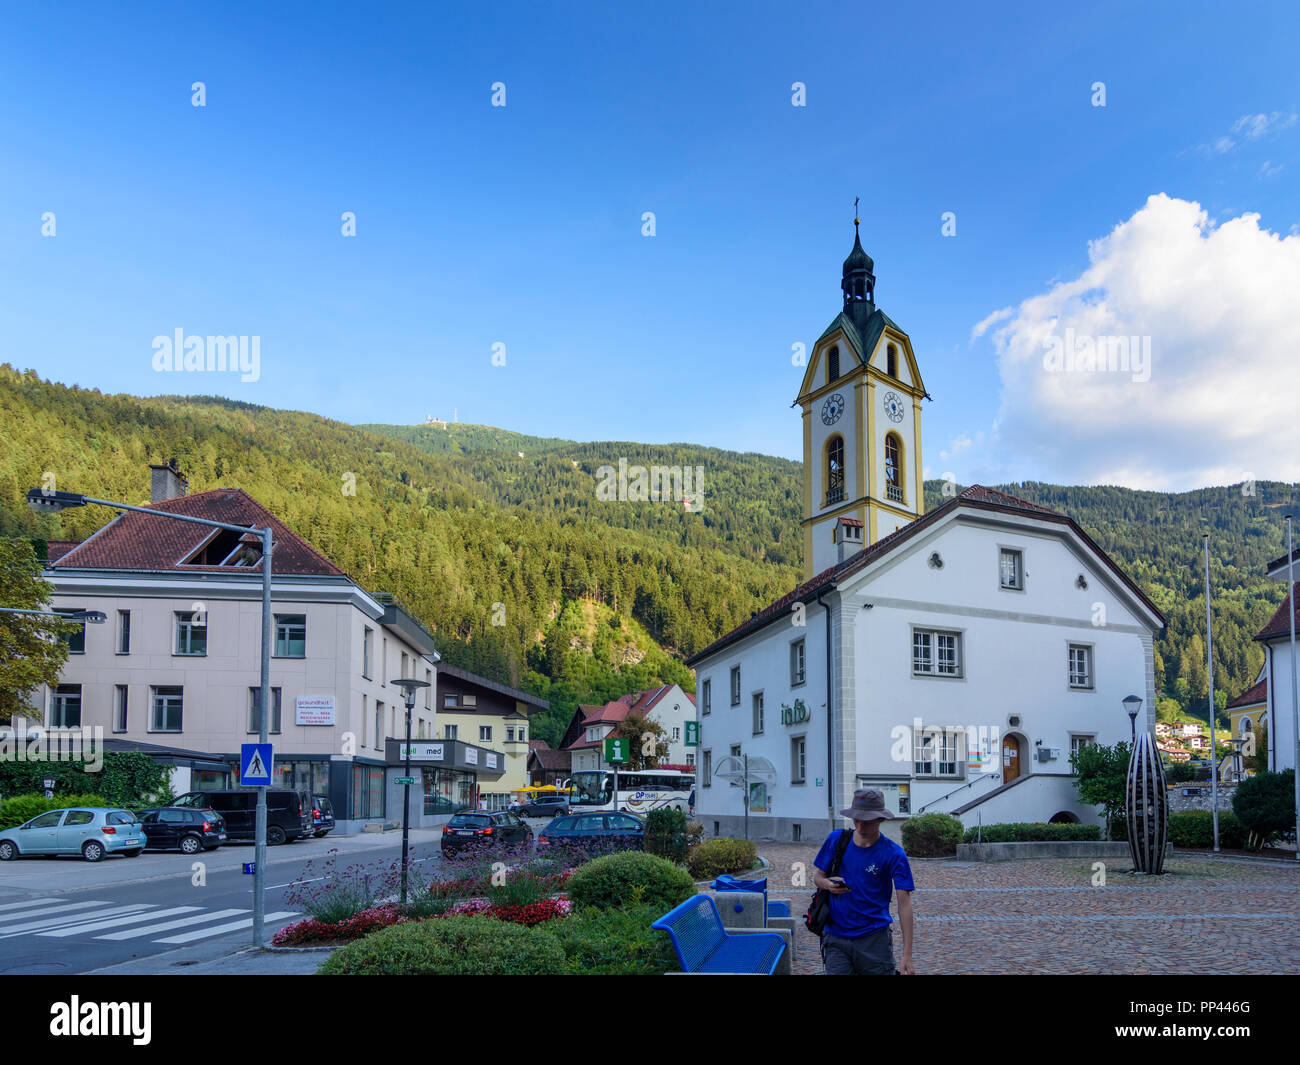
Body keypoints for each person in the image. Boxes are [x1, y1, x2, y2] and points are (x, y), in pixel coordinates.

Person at [811, 788, 915, 975]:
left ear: (880, 819)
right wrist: (828, 885)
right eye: (856, 820)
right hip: (835, 938)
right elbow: (818, 878)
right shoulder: (837, 840)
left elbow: (904, 903)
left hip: (875, 940)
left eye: (867, 822)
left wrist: (907, 954)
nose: (860, 827)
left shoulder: (893, 854)